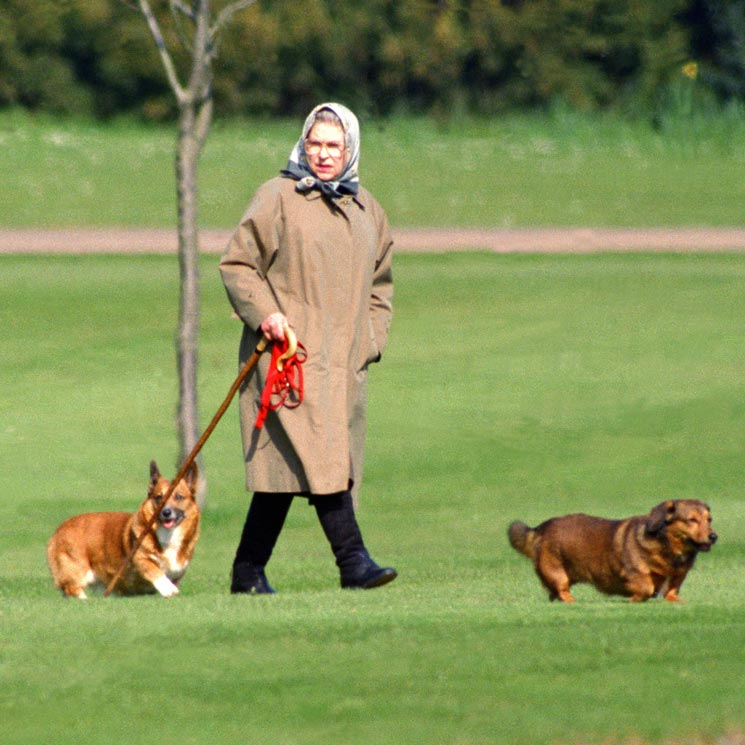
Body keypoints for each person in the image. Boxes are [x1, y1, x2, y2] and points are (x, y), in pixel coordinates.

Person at [219, 102, 397, 594]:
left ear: (350, 149)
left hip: (343, 367)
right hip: (285, 362)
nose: (322, 154)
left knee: (289, 473)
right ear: (303, 143)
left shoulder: (369, 212)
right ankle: (353, 563)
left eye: (333, 146)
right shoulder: (276, 197)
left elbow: (381, 287)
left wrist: (371, 342)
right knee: (324, 461)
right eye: (315, 143)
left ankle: (247, 572)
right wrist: (265, 315)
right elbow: (237, 264)